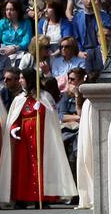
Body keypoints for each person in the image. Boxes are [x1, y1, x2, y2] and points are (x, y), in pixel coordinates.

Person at [7, 70, 77, 207]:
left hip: (41, 137)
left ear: (30, 79)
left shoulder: (44, 97)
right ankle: (22, 198)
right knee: (23, 168)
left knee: (41, 167)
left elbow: (53, 117)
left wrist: (42, 109)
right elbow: (14, 117)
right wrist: (13, 127)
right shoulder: (19, 98)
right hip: (23, 138)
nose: (20, 81)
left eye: (22, 78)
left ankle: (42, 198)